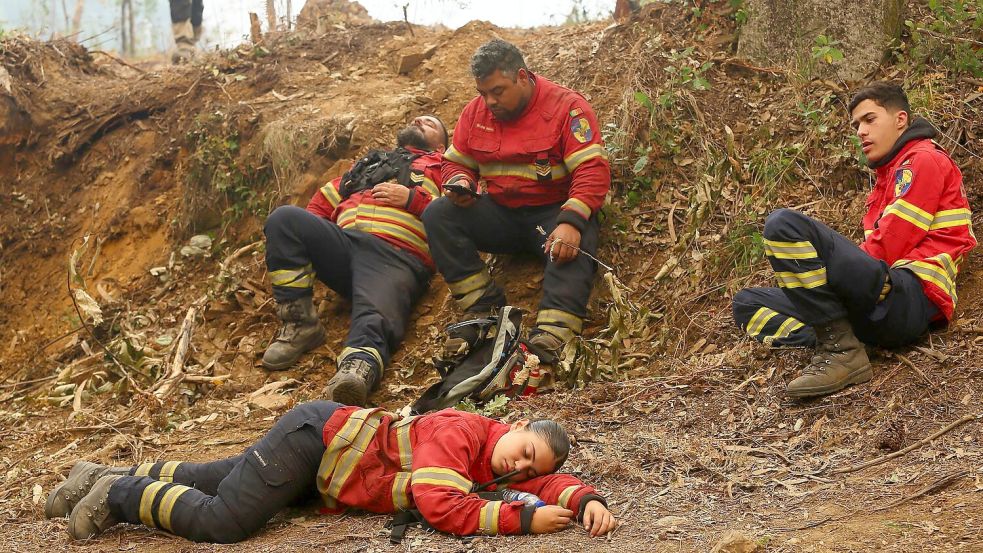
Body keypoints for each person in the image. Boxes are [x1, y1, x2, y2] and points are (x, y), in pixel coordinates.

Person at [45, 401, 617, 543]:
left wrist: (582, 496)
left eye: (527, 467)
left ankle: (97, 472)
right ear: (512, 424)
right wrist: (519, 523)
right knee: (225, 521)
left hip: (324, 462)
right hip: (316, 444)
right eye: (522, 450)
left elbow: (535, 487)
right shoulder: (464, 432)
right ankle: (119, 493)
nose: (517, 467)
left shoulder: (494, 462)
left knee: (217, 476)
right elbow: (439, 505)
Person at [732, 82, 976, 398]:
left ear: (901, 119)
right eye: (856, 125)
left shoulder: (923, 160)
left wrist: (824, 283)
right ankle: (841, 339)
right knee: (748, 303)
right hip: (879, 306)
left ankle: (841, 350)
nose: (861, 131)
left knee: (783, 224)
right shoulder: (885, 181)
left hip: (910, 296)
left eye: (869, 119)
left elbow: (889, 246)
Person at [422, 39, 610, 372]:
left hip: (552, 213)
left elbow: (591, 171)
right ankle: (481, 309)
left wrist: (572, 221)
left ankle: (554, 332)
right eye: (483, 93)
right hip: (501, 214)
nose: (489, 101)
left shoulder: (567, 108)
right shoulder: (475, 113)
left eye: (497, 91)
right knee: (438, 213)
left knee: (577, 239)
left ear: (522, 76)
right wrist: (461, 183)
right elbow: (454, 163)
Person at [261, 115, 447, 406]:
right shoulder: (366, 165)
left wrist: (411, 199)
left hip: (394, 256)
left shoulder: (444, 167)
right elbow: (318, 207)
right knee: (285, 220)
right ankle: (300, 324)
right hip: (344, 246)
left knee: (375, 312)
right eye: (417, 119)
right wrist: (314, 243)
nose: (419, 120)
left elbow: (455, 213)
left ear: (442, 146)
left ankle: (357, 370)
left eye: (431, 124)